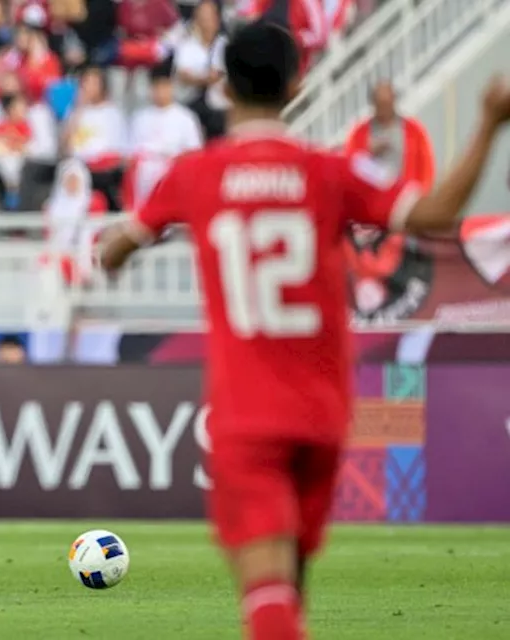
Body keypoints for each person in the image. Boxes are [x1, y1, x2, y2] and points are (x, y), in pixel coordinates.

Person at [97, 21, 510, 640]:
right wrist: (489, 123)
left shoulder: (192, 176)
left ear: (222, 86)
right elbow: (434, 214)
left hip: (246, 416)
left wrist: (120, 246)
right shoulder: (331, 173)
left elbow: (113, 250)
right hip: (323, 412)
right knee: (288, 593)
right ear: (297, 82)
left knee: (266, 600)